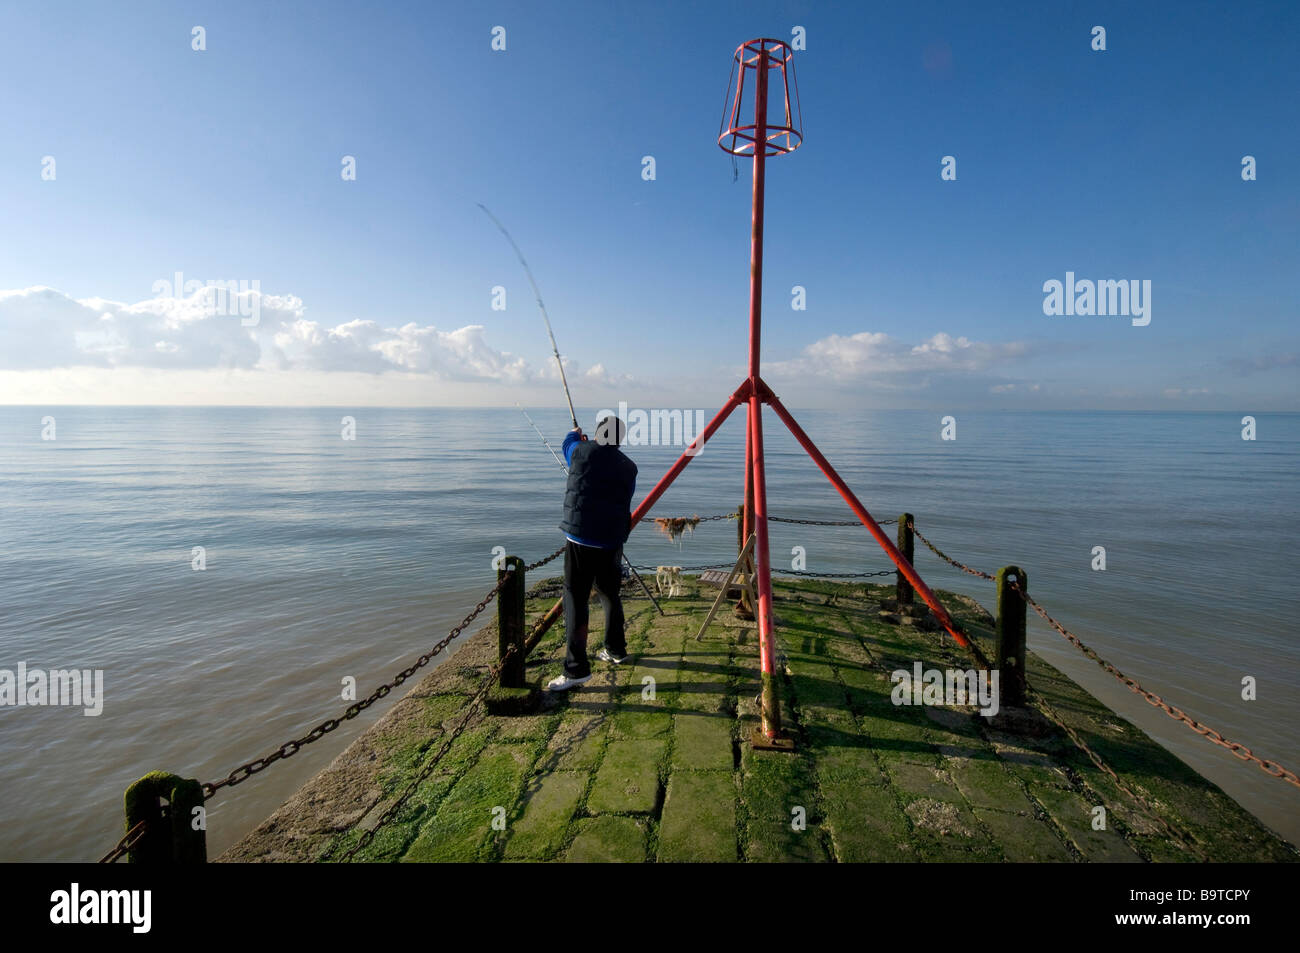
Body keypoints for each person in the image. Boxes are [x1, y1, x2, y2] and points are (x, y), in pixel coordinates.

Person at [546, 415, 638, 692]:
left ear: (598, 434)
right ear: (620, 439)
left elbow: (567, 446)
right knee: (610, 594)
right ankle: (615, 649)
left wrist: (575, 433)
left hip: (580, 540)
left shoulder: (581, 451)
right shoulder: (629, 467)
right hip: (611, 541)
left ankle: (576, 670)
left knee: (575, 599)